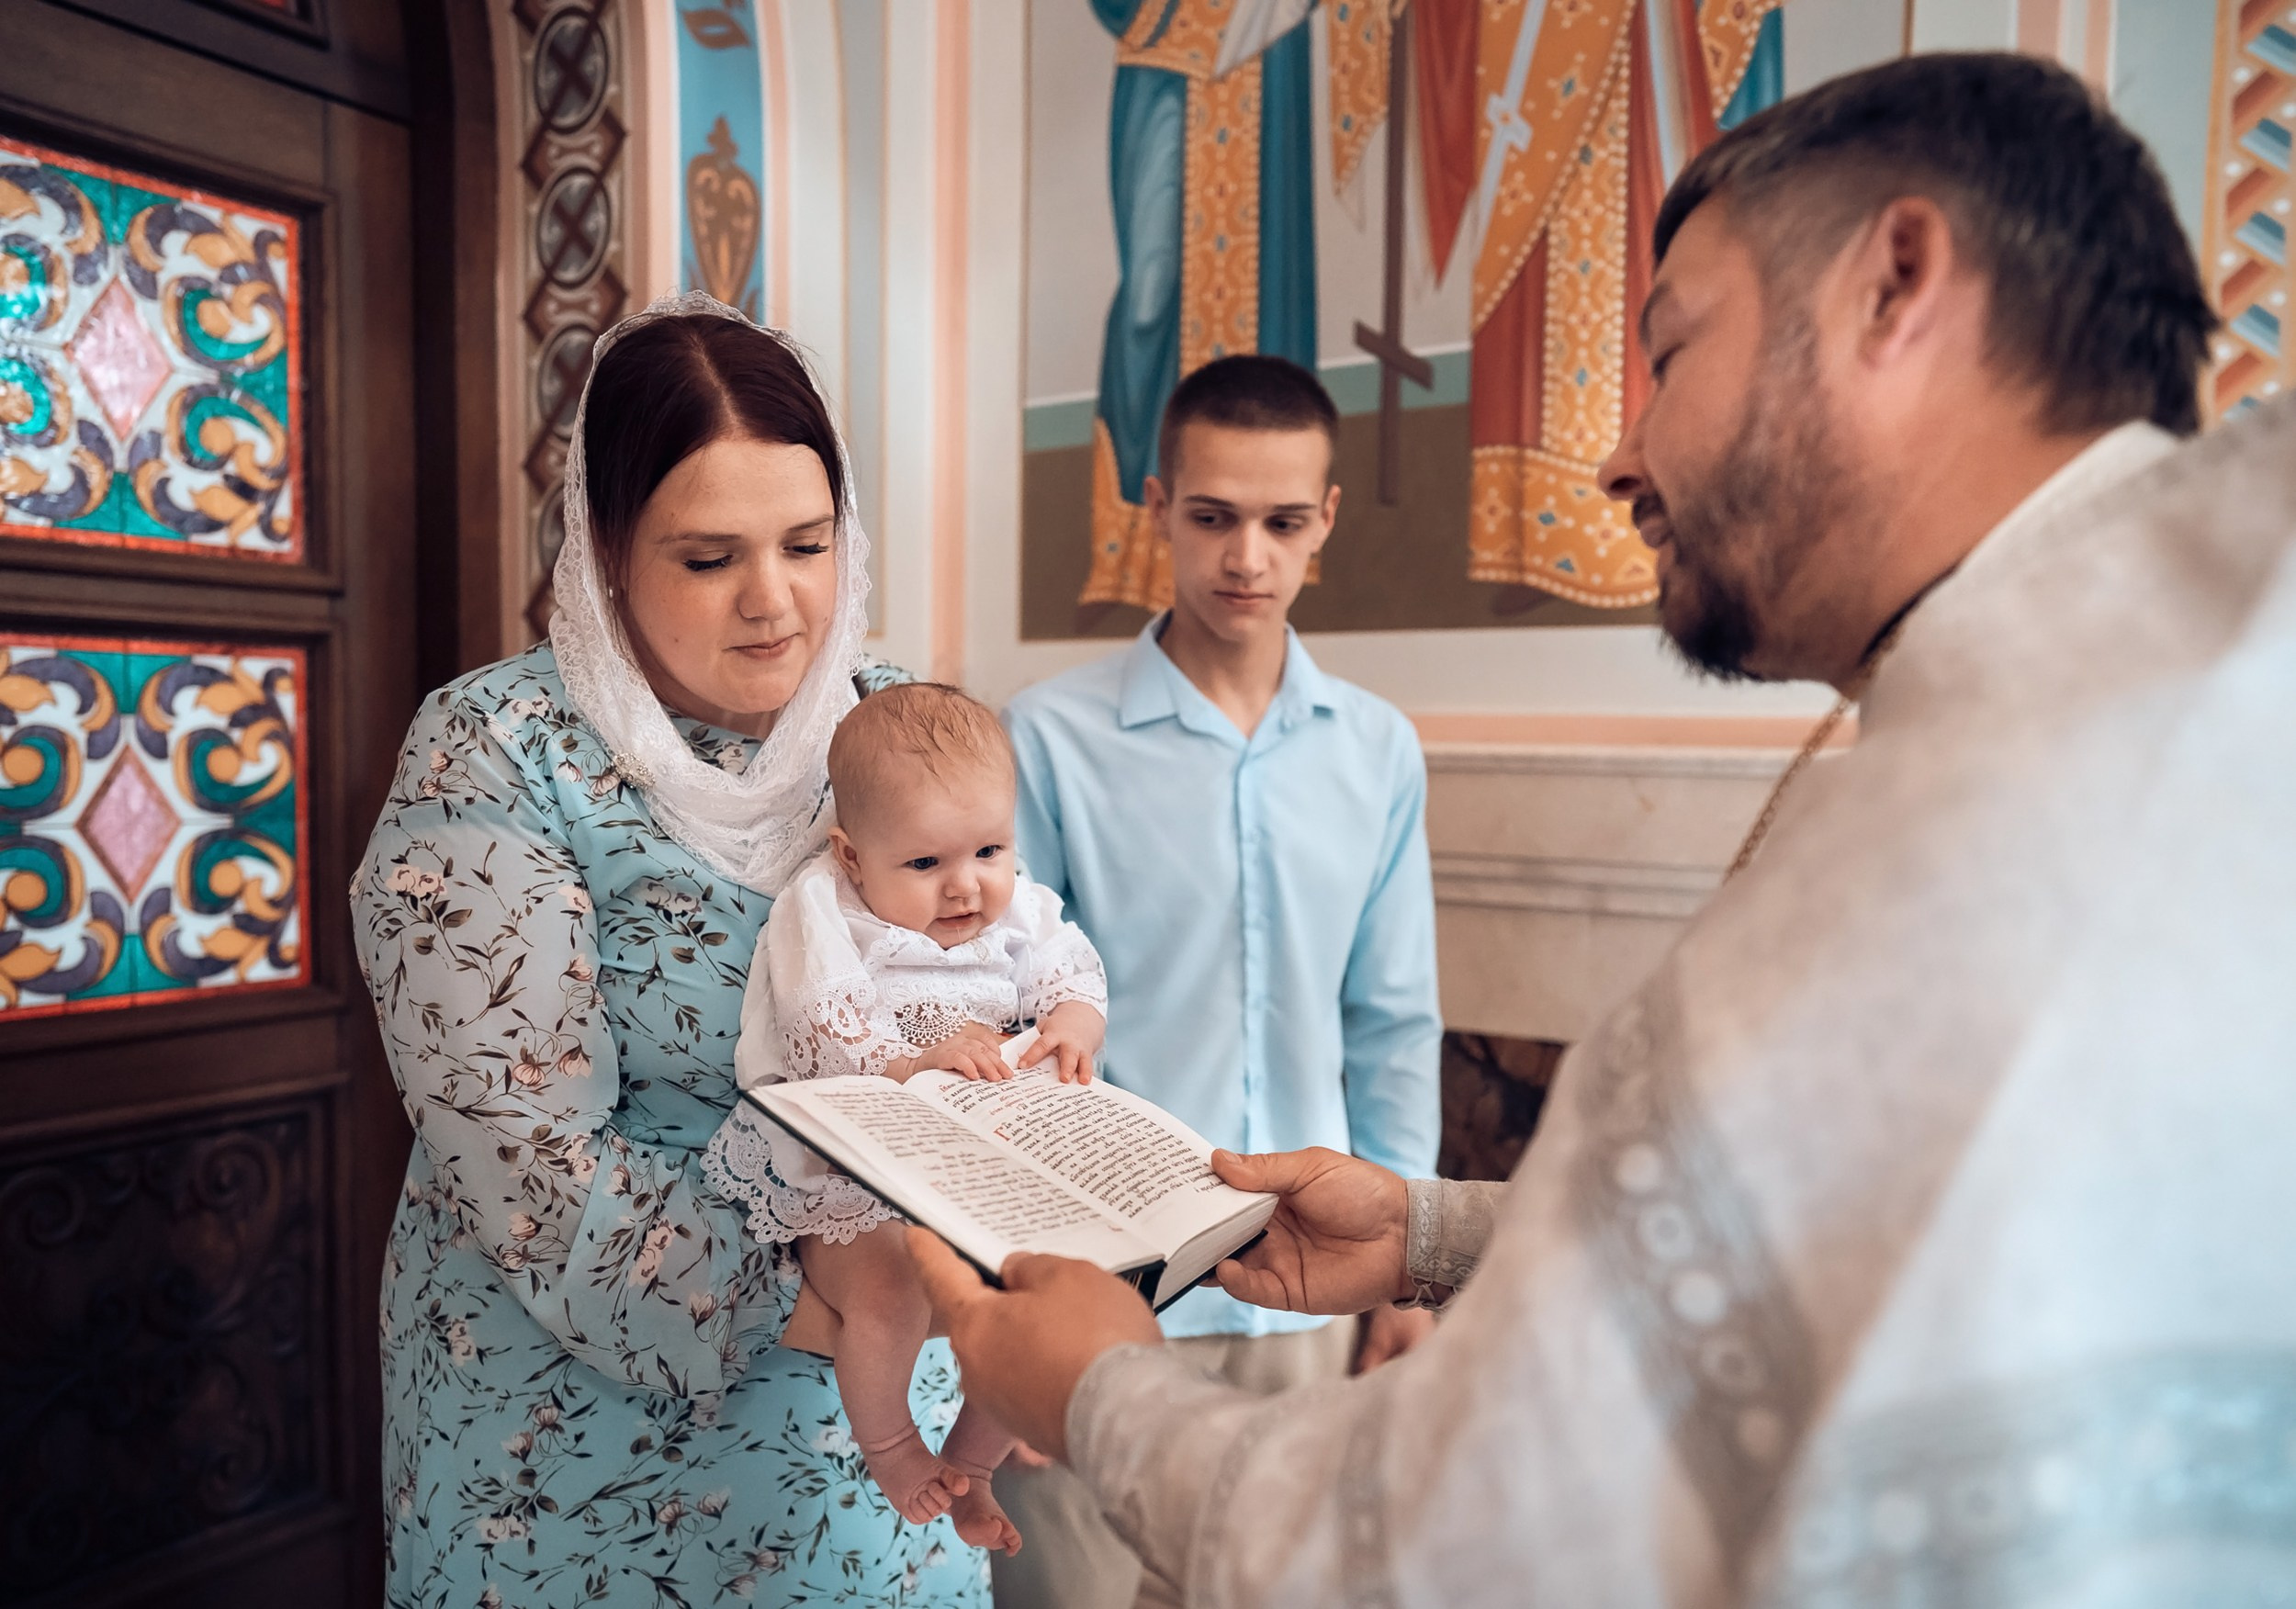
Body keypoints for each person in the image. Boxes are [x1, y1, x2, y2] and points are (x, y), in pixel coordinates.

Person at [910, 53, 2296, 1607]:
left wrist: (1096, 1385)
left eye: (1672, 348)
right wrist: (1436, 1230)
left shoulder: (1969, 822)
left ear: (1896, 284)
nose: (1620, 454)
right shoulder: (2165, 673)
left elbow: (1437, 1554)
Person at [353, 294, 991, 1607]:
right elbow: (525, 1159)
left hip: (888, 1424)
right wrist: (856, 1312)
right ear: (604, 548)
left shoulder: (895, 726)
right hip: (576, 1445)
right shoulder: (501, 750)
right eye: (708, 560)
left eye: (808, 544)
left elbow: (997, 965)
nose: (777, 604)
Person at [996, 354, 1444, 1605]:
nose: (1247, 556)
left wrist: (1411, 1266)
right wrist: (1007, 1297)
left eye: (1282, 522)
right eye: (1213, 517)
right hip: (1098, 1291)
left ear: (1327, 521)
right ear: (1156, 503)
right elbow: (1011, 1030)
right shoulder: (1048, 740)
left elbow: (1393, 1022)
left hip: (1309, 1289)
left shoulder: (1378, 752)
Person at [703, 681, 1108, 1554]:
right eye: (924, 866)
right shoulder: (828, 909)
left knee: (1023, 1305)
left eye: (989, 851)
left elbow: (1069, 967)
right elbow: (819, 1013)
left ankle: (978, 1465)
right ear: (852, 857)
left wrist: (1075, 1019)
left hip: (981, 1169)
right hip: (860, 1176)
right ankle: (891, 1446)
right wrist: (904, 1062)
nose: (965, 887)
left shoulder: (1020, 908)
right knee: (885, 1303)